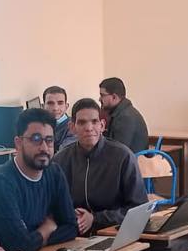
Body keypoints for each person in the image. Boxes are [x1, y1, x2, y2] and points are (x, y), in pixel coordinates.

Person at [0, 108, 77, 251]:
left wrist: (34, 239)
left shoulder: (54, 172)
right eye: (36, 139)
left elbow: (71, 227)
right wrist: (47, 228)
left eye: (49, 140)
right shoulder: (1, 183)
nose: (44, 148)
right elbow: (18, 246)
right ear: (18, 143)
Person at [51, 99, 148, 236]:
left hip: (114, 234)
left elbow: (139, 209)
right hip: (73, 234)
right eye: (82, 122)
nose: (89, 128)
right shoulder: (60, 160)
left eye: (94, 122)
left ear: (102, 125)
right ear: (72, 127)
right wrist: (69, 215)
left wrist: (95, 218)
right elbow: (51, 205)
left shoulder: (123, 157)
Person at [98, 77, 150, 155]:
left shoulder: (125, 117)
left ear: (114, 97)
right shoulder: (122, 112)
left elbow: (118, 152)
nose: (99, 99)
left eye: (102, 95)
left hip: (132, 161)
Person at [43, 85, 76, 150]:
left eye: (60, 103)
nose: (55, 108)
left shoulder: (73, 127)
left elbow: (63, 153)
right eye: (50, 103)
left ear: (66, 106)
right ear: (43, 106)